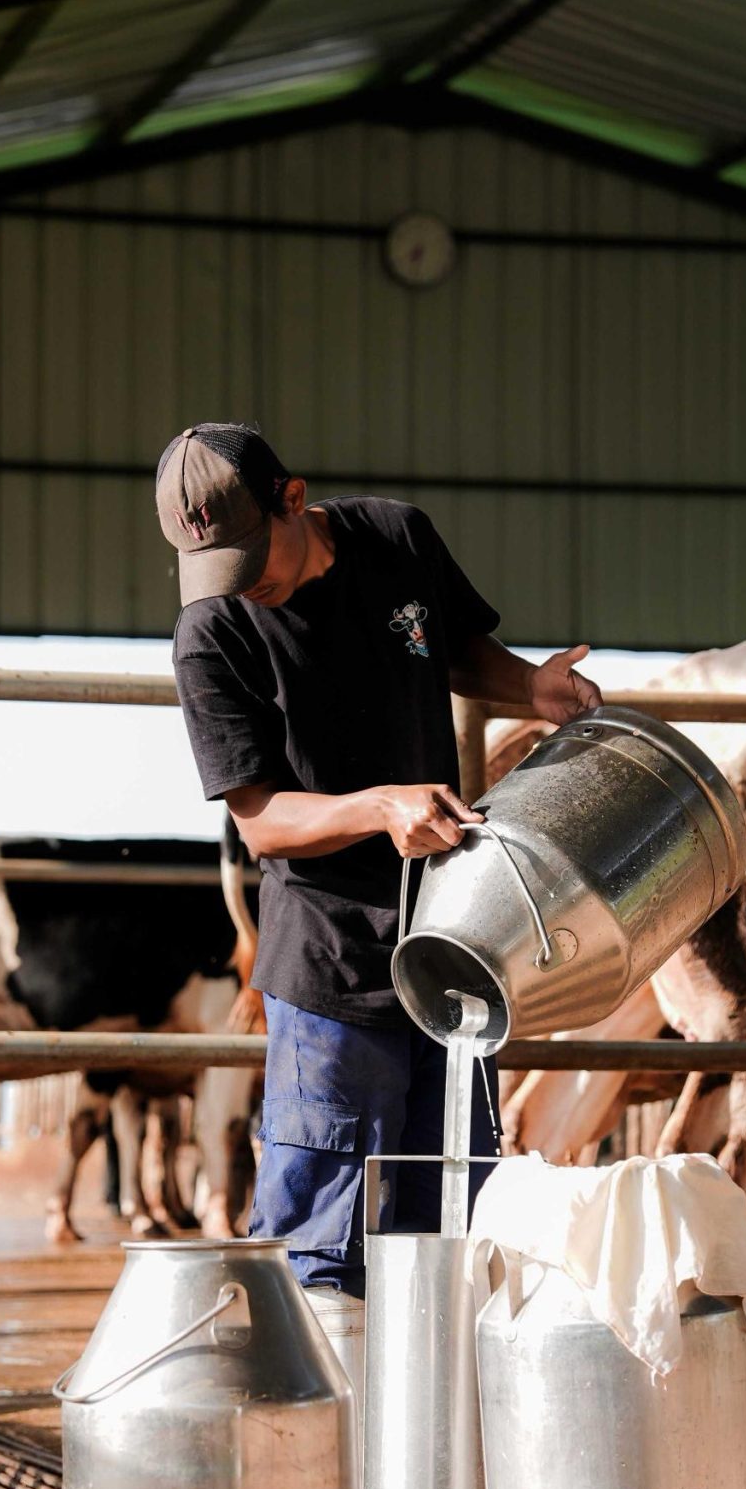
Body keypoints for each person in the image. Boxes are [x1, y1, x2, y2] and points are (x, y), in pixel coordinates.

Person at [162, 423, 602, 1347]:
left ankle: (429, 1476)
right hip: (331, 965)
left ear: (294, 498)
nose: (243, 584)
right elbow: (261, 818)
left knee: (452, 1219)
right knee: (323, 1242)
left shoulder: (397, 538)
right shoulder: (211, 629)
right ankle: (322, 1473)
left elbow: (454, 649)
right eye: (216, 568)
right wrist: (380, 806)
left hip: (450, 945)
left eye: (250, 558)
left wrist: (534, 688)